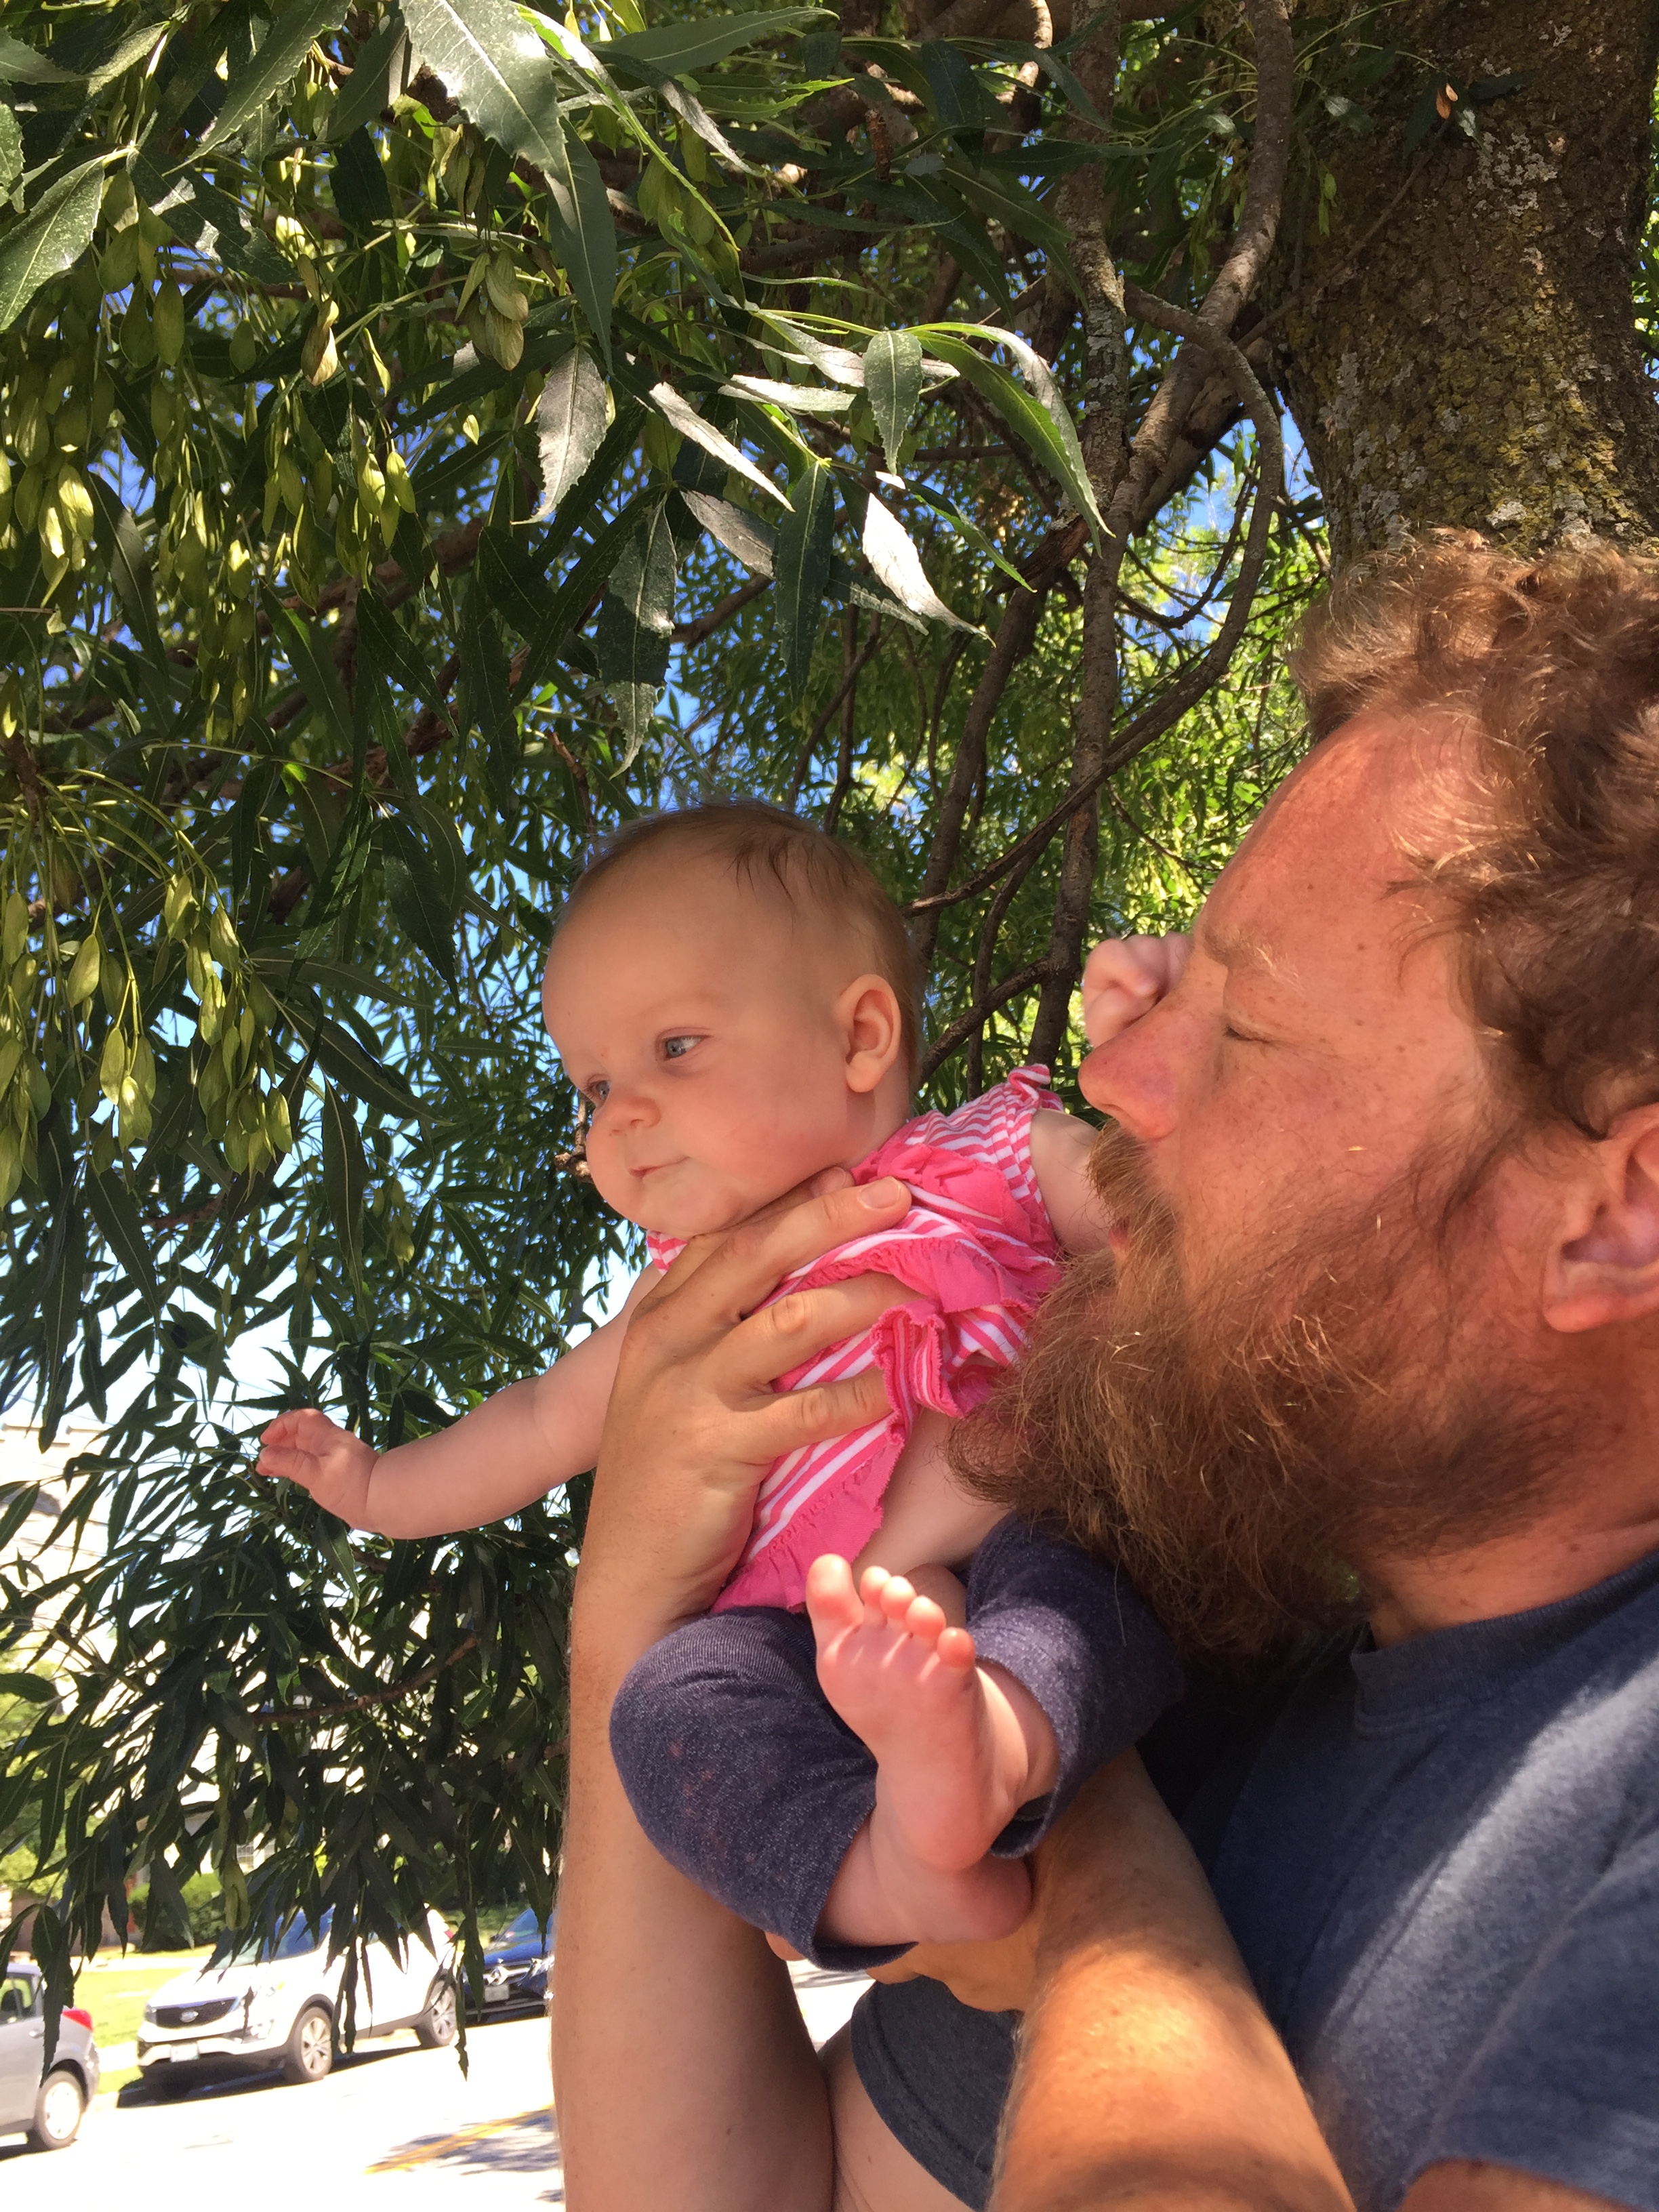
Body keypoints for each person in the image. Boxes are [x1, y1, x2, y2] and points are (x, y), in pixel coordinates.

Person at [553, 536, 1659, 2212]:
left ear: (1618, 1216)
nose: (1114, 1071)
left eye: (1246, 1028)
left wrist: (1084, 1887)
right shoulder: (1209, 1703)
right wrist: (630, 1620)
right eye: (1169, 981)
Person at [257, 804, 1185, 1959]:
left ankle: (990, 1745)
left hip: (1021, 1527)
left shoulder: (990, 1157)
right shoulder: (677, 1307)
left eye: (675, 1048)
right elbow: (540, 1420)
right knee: (666, 1705)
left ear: (860, 1037)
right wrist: (376, 1486)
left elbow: (1177, 1223)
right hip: (806, 1639)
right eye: (593, 1085)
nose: (620, 1114)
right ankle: (884, 1871)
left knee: (1080, 1591)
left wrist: (1169, 1043)